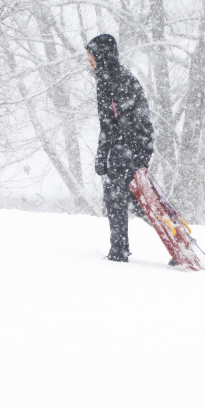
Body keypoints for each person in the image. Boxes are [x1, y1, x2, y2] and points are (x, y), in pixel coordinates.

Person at [87, 33, 154, 262]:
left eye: (92, 55)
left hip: (125, 150)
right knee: (135, 201)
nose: (90, 60)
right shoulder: (119, 76)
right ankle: (175, 235)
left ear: (102, 55)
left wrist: (104, 155)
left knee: (117, 199)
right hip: (132, 148)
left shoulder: (110, 80)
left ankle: (118, 252)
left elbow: (109, 124)